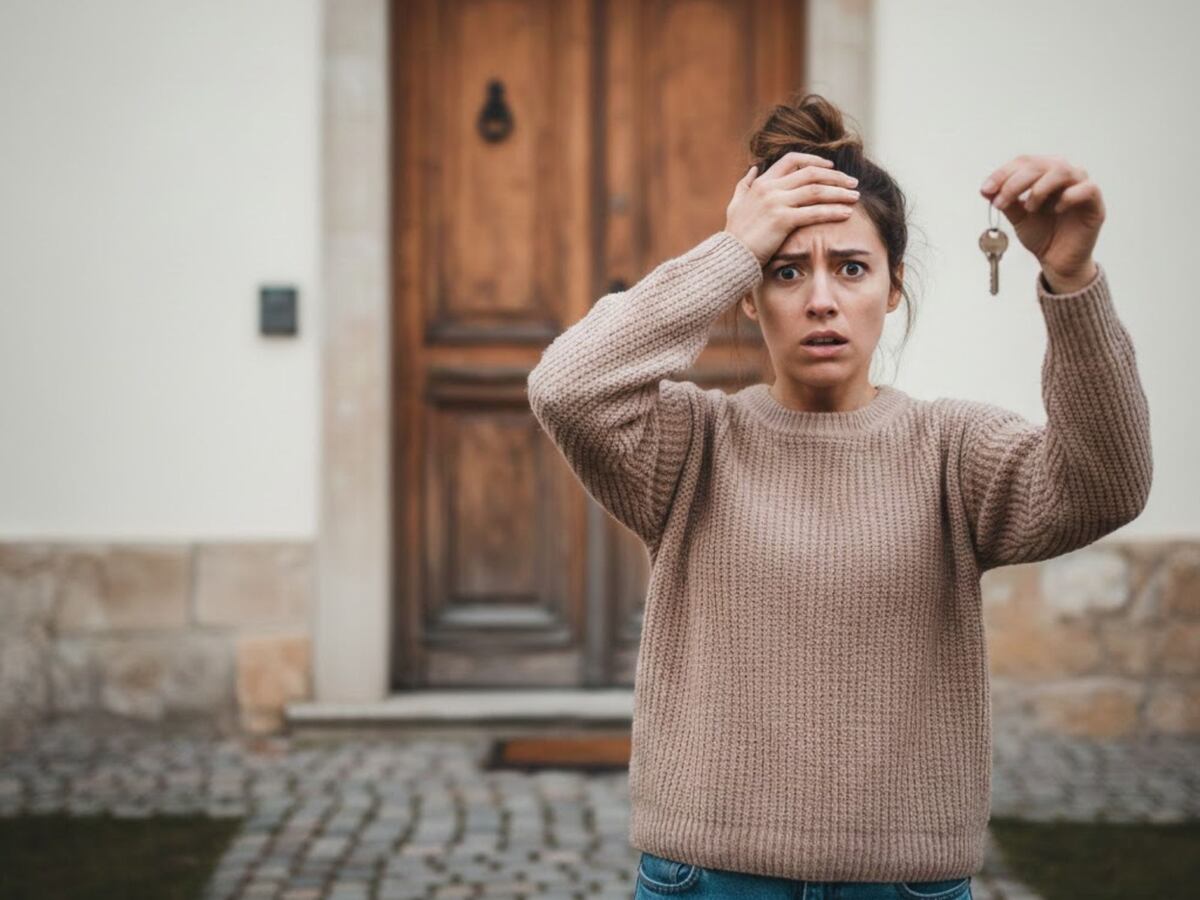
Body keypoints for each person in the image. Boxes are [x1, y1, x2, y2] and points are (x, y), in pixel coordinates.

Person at [525, 92, 1152, 899]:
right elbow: (567, 388)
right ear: (748, 294)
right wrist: (731, 250)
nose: (821, 299)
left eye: (851, 268)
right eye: (786, 271)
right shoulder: (690, 445)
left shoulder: (952, 451)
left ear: (893, 288)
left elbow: (1106, 485)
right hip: (710, 878)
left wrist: (1072, 280)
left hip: (905, 882)